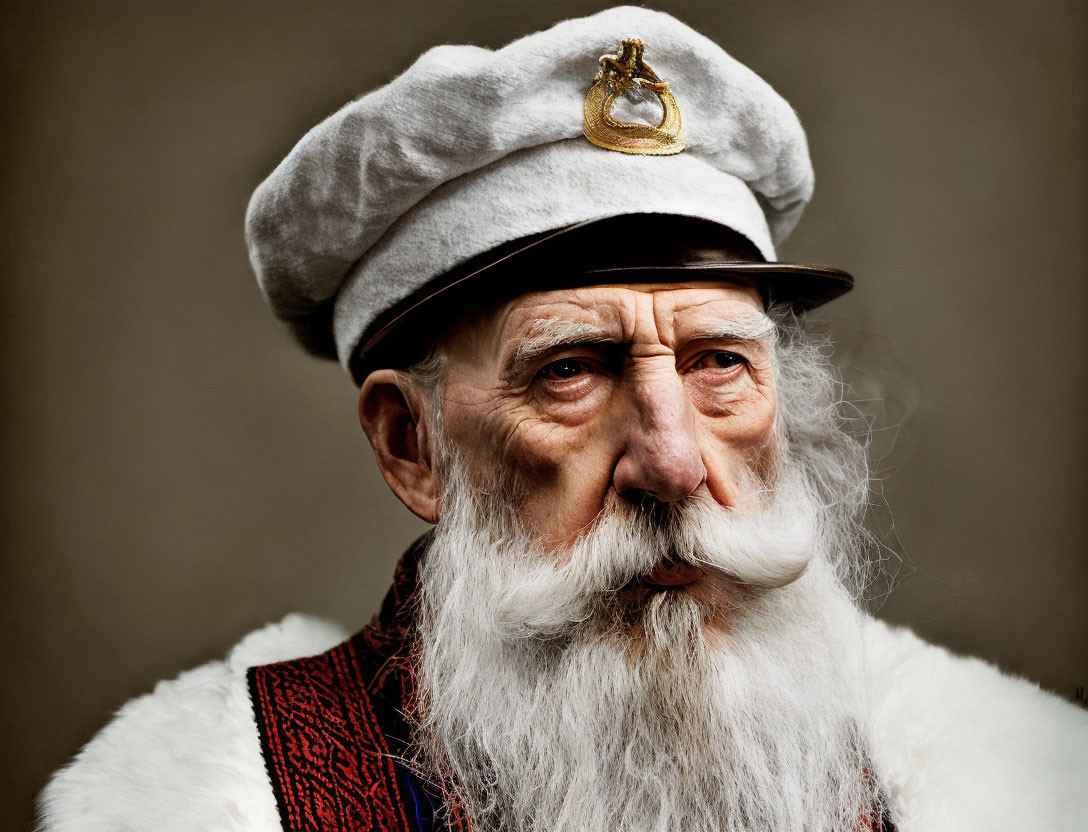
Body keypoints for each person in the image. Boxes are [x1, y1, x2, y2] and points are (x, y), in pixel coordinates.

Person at [38, 7, 1087, 831]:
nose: (673, 461)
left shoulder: (1004, 781)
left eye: (719, 363)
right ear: (412, 445)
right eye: (571, 372)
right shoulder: (209, 804)